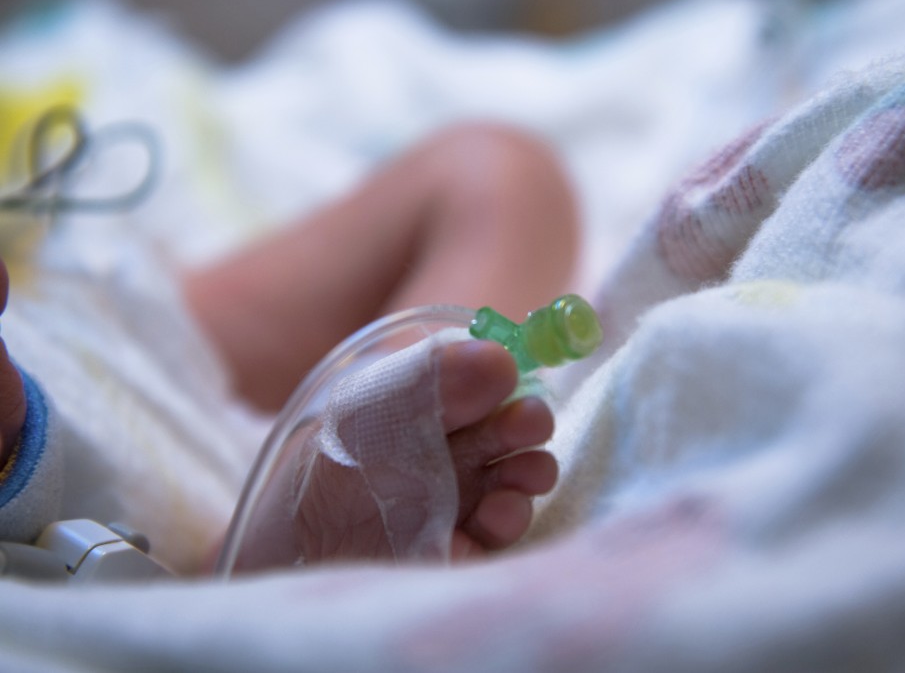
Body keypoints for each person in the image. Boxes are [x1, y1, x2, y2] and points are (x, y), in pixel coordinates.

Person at [0, 121, 578, 569]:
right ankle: (360, 428)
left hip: (73, 340)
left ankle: (355, 423)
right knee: (498, 172)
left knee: (491, 169)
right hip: (79, 350)